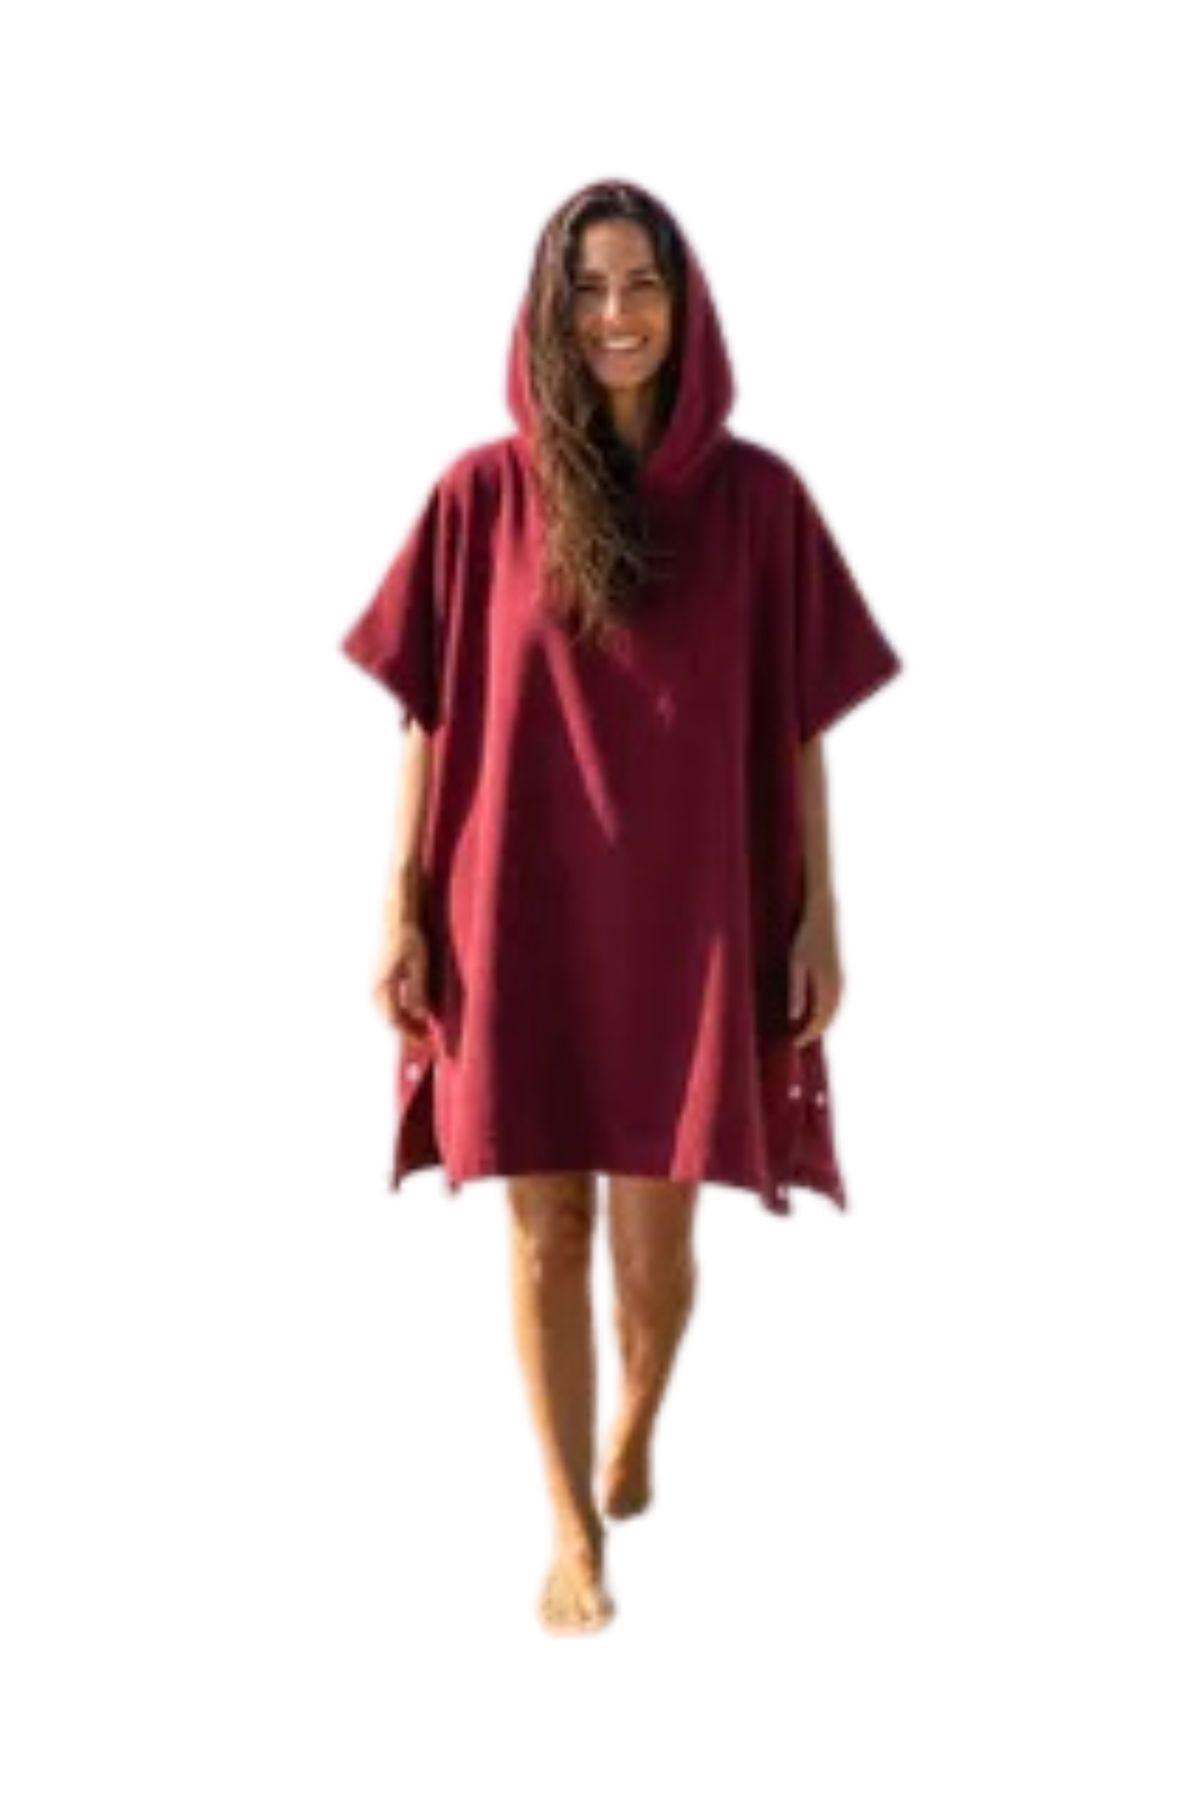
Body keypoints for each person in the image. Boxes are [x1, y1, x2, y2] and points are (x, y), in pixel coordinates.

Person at [340, 178, 903, 1635]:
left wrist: (819, 915)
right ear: (549, 313)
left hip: (692, 912)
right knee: (544, 1225)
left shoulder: (760, 503)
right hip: (515, 903)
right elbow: (428, 716)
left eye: (639, 283)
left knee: (654, 1248)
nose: (614, 315)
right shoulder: (481, 498)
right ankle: (570, 1527)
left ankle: (636, 1415)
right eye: (584, 289)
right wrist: (401, 906)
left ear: (683, 300)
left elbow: (798, 725)